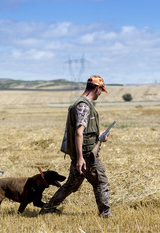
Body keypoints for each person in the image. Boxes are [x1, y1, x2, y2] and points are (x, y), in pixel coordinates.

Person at [39, 75, 112, 217]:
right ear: (96, 88)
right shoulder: (84, 105)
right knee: (101, 182)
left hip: (83, 153)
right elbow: (79, 132)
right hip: (86, 155)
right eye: (101, 90)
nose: (100, 94)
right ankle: (106, 215)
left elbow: (84, 132)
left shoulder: (82, 103)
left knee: (71, 185)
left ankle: (48, 209)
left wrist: (99, 135)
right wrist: (80, 158)